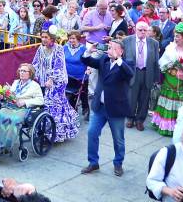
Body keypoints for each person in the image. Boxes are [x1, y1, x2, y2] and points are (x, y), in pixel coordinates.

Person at [81, 39, 133, 177]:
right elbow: (87, 61)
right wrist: (89, 51)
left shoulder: (126, 63)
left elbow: (129, 74)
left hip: (116, 109)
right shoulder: (104, 59)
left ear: (121, 51)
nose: (109, 50)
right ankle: (93, 162)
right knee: (92, 133)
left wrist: (118, 60)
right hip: (99, 107)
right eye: (109, 47)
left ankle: (118, 163)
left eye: (113, 48)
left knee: (118, 138)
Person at [0, 63, 44, 155]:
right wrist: (2, 97)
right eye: (20, 71)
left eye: (24, 71)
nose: (21, 73)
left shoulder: (35, 85)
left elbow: (40, 100)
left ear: (30, 73)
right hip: (10, 106)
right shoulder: (15, 82)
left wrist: (25, 102)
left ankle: (4, 146)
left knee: (14, 120)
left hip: (24, 109)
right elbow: (10, 96)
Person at [152, 23, 183, 137]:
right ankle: (163, 125)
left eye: (178, 36)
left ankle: (177, 127)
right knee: (167, 100)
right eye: (175, 36)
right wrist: (169, 67)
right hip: (169, 79)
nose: (176, 38)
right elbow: (161, 62)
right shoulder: (170, 48)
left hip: (181, 82)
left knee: (179, 102)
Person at [31, 26, 78, 142]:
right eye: (42, 37)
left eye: (46, 37)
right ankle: (44, 130)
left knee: (53, 105)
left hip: (57, 81)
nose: (43, 39)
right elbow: (35, 63)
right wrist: (31, 74)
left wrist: (51, 79)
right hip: (44, 80)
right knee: (44, 105)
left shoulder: (59, 49)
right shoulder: (40, 49)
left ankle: (56, 133)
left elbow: (59, 66)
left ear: (52, 38)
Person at [122, 21, 159, 131]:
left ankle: (140, 120)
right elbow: (122, 58)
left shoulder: (154, 43)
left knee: (145, 98)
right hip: (132, 72)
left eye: (145, 30)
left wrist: (156, 78)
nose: (143, 32)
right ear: (135, 30)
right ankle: (130, 118)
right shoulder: (127, 40)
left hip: (147, 72)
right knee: (131, 97)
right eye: (140, 30)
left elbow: (156, 61)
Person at [63, 30, 89, 118]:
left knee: (83, 94)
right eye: (70, 38)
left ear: (78, 39)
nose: (71, 40)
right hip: (68, 77)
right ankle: (72, 111)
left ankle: (86, 108)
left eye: (73, 38)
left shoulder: (83, 48)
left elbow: (88, 61)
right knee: (70, 94)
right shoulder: (65, 47)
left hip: (80, 77)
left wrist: (88, 69)